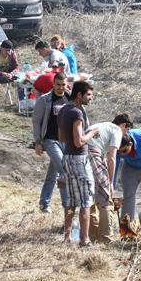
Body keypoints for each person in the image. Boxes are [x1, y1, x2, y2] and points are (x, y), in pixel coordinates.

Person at [58, 81, 100, 246]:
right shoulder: (77, 113)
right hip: (79, 159)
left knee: (70, 201)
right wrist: (92, 133)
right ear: (79, 95)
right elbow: (79, 141)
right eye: (88, 94)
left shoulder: (63, 110)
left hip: (67, 158)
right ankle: (84, 240)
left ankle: (67, 237)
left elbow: (61, 138)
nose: (90, 98)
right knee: (85, 201)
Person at [33, 72, 70, 213]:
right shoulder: (44, 100)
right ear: (53, 84)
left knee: (53, 173)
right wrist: (37, 142)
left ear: (67, 84)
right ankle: (67, 207)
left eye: (63, 85)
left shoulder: (70, 98)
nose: (61, 87)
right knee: (64, 170)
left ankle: (44, 203)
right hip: (50, 140)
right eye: (58, 85)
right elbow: (36, 121)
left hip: (66, 142)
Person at [87, 119, 124, 243]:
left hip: (80, 156)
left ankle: (91, 236)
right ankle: (105, 238)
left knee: (89, 199)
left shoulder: (100, 125)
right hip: (93, 155)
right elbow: (112, 158)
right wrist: (111, 182)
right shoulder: (117, 130)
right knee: (105, 200)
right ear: (124, 125)